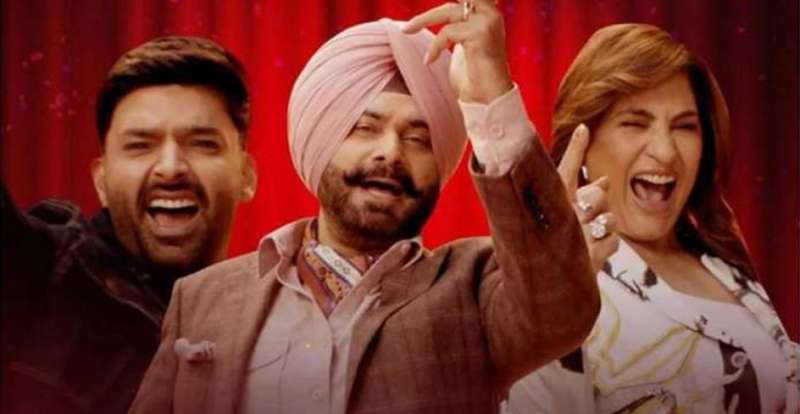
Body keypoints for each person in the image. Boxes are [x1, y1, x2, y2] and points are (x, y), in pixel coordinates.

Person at [129, 2, 612, 413]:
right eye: (364, 128)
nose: (390, 153)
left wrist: (490, 98)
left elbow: (561, 310)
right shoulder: (202, 299)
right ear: (319, 140)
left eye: (418, 137)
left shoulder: (477, 289)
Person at [507, 23, 799, 414]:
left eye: (685, 126)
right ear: (582, 140)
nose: (665, 151)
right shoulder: (554, 280)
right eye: (635, 123)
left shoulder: (723, 262)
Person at [1, 36, 257, 413]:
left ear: (246, 176)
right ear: (101, 181)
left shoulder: (274, 336)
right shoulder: (40, 273)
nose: (171, 168)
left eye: (202, 143)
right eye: (140, 146)